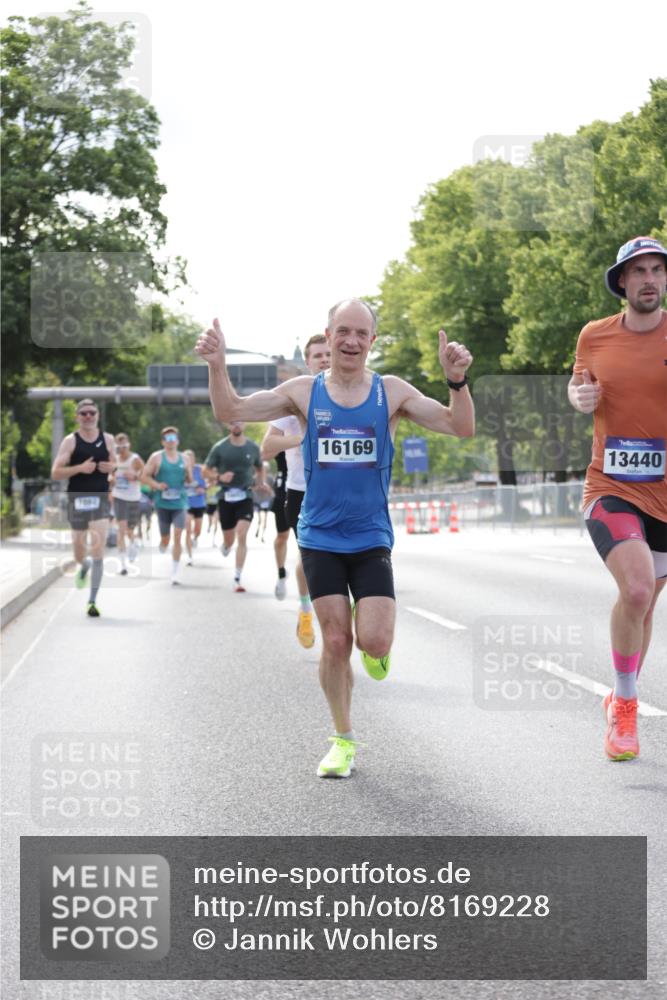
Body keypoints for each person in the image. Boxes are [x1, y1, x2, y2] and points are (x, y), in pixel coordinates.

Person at [196, 299, 474, 777]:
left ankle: (376, 647)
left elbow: (460, 426)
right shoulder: (304, 393)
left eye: (360, 333)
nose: (350, 341)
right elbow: (231, 409)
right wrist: (217, 365)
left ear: (372, 341)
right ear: (329, 334)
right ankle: (342, 740)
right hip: (320, 534)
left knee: (374, 641)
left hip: (369, 536)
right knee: (337, 641)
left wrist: (456, 383)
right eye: (342, 331)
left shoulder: (393, 392)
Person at [568, 236, 667, 762]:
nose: (649, 279)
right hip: (612, 485)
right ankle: (625, 707)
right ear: (623, 282)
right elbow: (579, 386)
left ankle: (618, 693)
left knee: (646, 601)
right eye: (639, 271)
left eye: (658, 270)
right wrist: (580, 397)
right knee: (635, 589)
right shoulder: (595, 336)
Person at [261, 333, 331, 649]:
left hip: (344, 492)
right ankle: (305, 610)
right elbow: (266, 447)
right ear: (308, 361)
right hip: (302, 492)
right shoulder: (293, 400)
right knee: (311, 557)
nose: (325, 360)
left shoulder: (356, 396)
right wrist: (301, 439)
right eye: (318, 356)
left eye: (329, 354)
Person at [50, 398, 117, 617]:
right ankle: (84, 565)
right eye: (84, 414)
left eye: (92, 413)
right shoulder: (71, 441)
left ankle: (92, 601)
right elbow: (56, 472)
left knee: (98, 549)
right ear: (77, 417)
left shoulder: (108, 440)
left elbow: (115, 467)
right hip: (76, 498)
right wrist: (80, 468)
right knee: (79, 553)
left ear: (97, 415)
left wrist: (112, 468)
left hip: (99, 498)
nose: (88, 417)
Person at [204, 421, 271, 592]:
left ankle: (237, 577)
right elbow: (206, 470)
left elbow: (260, 467)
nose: (236, 425)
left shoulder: (252, 447)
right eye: (233, 423)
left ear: (244, 425)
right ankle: (226, 545)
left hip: (245, 495)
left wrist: (260, 481)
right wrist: (219, 476)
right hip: (226, 496)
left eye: (239, 422)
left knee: (241, 532)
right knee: (230, 538)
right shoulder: (220, 447)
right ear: (228, 426)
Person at [142, 427, 193, 585]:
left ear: (177, 440)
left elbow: (189, 480)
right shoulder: (156, 457)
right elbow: (143, 476)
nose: (170, 441)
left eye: (173, 438)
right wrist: (157, 485)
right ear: (163, 441)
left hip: (180, 502)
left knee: (178, 534)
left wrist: (189, 477)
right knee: (166, 537)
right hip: (162, 503)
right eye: (167, 438)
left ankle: (175, 572)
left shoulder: (185, 459)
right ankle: (163, 543)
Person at [111, 433, 144, 575]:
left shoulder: (134, 459)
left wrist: (135, 476)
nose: (122, 449)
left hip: (134, 498)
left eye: (124, 446)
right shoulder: (114, 459)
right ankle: (122, 564)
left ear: (128, 445)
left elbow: (146, 472)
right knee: (121, 529)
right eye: (119, 447)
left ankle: (134, 544)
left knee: (130, 530)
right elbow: (110, 475)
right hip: (119, 497)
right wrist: (111, 479)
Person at [184, 449, 207, 565]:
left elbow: (207, 484)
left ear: (193, 459)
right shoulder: (180, 471)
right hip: (185, 504)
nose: (188, 460)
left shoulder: (200, 470)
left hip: (199, 503)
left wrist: (202, 488)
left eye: (190, 458)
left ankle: (195, 538)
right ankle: (189, 556)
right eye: (186, 458)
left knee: (197, 530)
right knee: (187, 529)